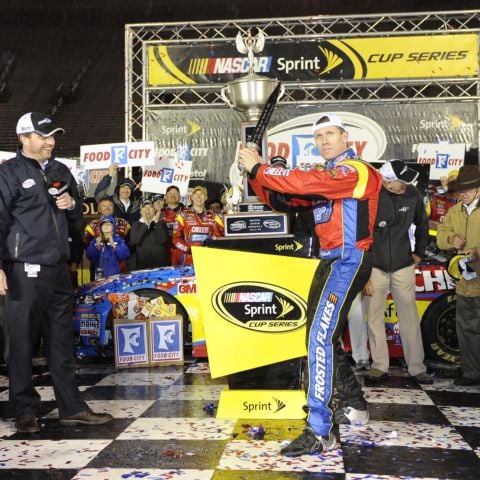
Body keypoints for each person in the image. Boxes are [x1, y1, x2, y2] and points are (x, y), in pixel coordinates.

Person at [238, 113, 382, 457]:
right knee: (319, 338)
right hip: (329, 262)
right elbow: (283, 200)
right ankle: (355, 404)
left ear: (347, 138)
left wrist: (261, 168)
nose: (324, 141)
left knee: (319, 337)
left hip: (349, 261)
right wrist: (253, 174)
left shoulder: (357, 171)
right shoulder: (325, 180)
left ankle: (321, 431)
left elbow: (304, 182)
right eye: (319, 137)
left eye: (331, 134)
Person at [0, 112, 112, 433]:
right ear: (24, 138)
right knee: (21, 342)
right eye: (44, 136)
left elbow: (77, 210)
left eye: (53, 136)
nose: (51, 141)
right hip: (24, 269)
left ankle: (71, 407)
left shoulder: (61, 169)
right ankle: (24, 408)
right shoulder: (8, 173)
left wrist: (71, 205)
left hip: (58, 269)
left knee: (61, 341)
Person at [363, 160, 433, 384]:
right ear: (385, 180)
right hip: (375, 266)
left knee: (409, 316)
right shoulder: (371, 197)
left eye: (405, 181)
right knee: (374, 317)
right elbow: (361, 236)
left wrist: (419, 252)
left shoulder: (412, 194)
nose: (403, 186)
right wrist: (364, 270)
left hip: (404, 264)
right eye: (398, 182)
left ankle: (416, 367)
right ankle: (379, 366)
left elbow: (423, 223)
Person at [437, 164, 480, 386]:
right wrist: (451, 238)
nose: (462, 193)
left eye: (468, 189)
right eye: (460, 189)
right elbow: (441, 235)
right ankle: (472, 372)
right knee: (466, 328)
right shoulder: (455, 211)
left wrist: (477, 252)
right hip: (465, 279)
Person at [171, 185, 224, 266]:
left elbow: (224, 233)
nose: (199, 196)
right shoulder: (183, 215)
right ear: (191, 197)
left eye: (202, 194)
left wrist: (213, 244)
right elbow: (176, 238)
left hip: (209, 258)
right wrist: (189, 249)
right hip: (188, 260)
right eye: (196, 194)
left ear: (206, 197)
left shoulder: (214, 216)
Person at [129, 199, 170, 270]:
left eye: (150, 207)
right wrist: (146, 224)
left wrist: (156, 222)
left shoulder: (161, 223)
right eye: (144, 207)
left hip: (161, 265)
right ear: (140, 211)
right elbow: (135, 241)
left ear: (154, 210)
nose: (147, 209)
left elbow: (163, 240)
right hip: (142, 265)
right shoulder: (135, 224)